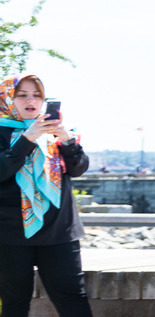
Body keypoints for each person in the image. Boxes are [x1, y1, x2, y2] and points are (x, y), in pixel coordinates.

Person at [0, 75, 91, 317]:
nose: (31, 100)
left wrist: (66, 138)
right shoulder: (1, 132)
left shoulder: (59, 134)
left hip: (59, 231)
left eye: (37, 95)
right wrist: (27, 138)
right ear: (8, 98)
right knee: (14, 303)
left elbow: (78, 168)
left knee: (73, 300)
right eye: (22, 95)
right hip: (10, 233)